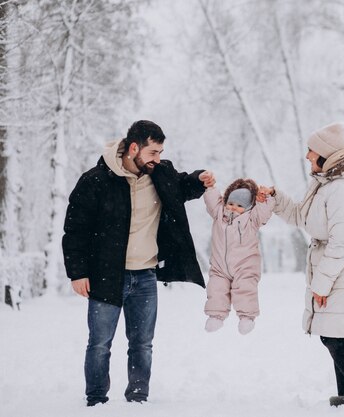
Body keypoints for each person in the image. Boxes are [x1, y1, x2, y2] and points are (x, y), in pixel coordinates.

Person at [62, 120, 215, 407]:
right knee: (99, 344)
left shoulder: (160, 174)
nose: (157, 159)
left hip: (145, 275)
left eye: (160, 152)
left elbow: (183, 185)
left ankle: (138, 399)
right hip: (107, 275)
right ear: (134, 148)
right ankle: (95, 401)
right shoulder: (95, 180)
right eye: (153, 152)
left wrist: (200, 179)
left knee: (142, 344)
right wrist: (78, 273)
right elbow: (76, 229)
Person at [259, 122, 344, 409]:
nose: (307, 156)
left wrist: (322, 283)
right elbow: (303, 218)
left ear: (327, 153)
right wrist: (276, 198)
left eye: (311, 151)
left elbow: (341, 243)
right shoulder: (326, 184)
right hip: (340, 267)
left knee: (335, 338)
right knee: (335, 336)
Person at [203, 178, 274, 335]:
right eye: (231, 203)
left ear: (248, 206)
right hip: (220, 266)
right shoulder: (219, 214)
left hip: (245, 266)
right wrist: (210, 188)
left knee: (245, 289)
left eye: (240, 206)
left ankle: (247, 317)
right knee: (216, 288)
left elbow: (263, 212)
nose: (234, 208)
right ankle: (216, 316)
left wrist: (264, 199)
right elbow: (212, 202)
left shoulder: (252, 219)